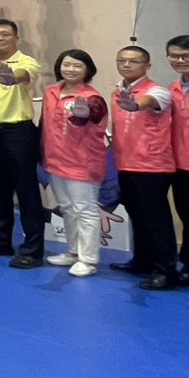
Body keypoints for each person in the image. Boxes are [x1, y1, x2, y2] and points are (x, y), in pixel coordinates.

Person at [109, 45, 179, 290]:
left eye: (134, 61)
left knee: (156, 219)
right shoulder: (118, 92)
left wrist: (137, 105)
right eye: (122, 60)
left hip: (152, 166)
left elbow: (150, 102)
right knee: (137, 215)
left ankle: (166, 270)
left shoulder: (158, 90)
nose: (127, 65)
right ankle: (143, 261)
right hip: (126, 163)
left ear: (147, 66)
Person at [0, 19, 45, 268]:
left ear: (16, 38)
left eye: (5, 34)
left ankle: (33, 249)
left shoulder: (26, 61)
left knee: (26, 192)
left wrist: (11, 77)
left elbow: (24, 76)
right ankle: (1, 240)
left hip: (19, 132)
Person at [39, 50, 110, 278]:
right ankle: (73, 251)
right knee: (68, 208)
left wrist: (84, 114)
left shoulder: (93, 98)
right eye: (66, 65)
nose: (70, 69)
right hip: (55, 160)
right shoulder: (51, 91)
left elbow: (93, 115)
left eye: (77, 66)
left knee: (85, 211)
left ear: (88, 70)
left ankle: (88, 259)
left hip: (82, 163)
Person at [168, 35, 189, 279]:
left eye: (185, 56)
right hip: (179, 165)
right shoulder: (172, 89)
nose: (180, 60)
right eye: (174, 56)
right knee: (185, 214)